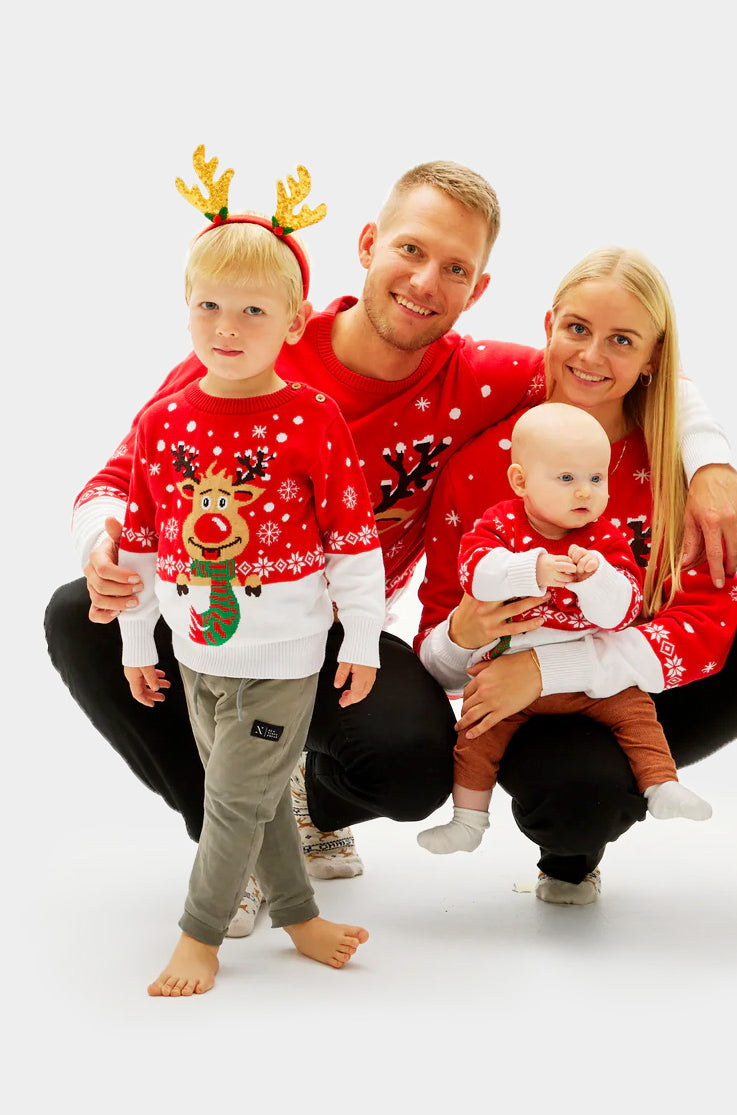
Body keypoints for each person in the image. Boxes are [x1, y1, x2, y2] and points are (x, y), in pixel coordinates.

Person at [44, 154, 737, 938]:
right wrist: (104, 542)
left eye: (455, 267)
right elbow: (117, 474)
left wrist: (710, 460)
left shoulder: (484, 379)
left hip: (333, 632)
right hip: (215, 609)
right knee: (82, 611)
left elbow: (617, 369)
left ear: (478, 289)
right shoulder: (263, 337)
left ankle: (305, 801)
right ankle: (228, 843)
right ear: (369, 243)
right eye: (412, 250)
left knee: (414, 764)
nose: (425, 281)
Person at [416, 246, 737, 958]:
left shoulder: (677, 463)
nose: (592, 355)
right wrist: (466, 634)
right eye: (576, 328)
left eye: (621, 340)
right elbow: (440, 662)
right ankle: (572, 854)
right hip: (538, 716)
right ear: (547, 326)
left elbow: (705, 620)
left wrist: (554, 667)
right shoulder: (483, 467)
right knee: (575, 803)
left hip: (655, 692)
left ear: (652, 360)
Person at [120, 156, 382, 994]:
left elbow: (352, 539)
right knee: (261, 796)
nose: (226, 327)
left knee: (231, 797)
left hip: (285, 657)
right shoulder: (162, 422)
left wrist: (363, 639)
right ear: (185, 308)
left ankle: (201, 937)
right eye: (209, 306)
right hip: (198, 652)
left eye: (253, 311)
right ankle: (299, 915)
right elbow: (141, 543)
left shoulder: (313, 417)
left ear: (295, 320)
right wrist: (137, 642)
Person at [418, 403, 713, 855]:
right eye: (567, 479)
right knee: (475, 735)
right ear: (521, 481)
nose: (585, 493)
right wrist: (530, 569)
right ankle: (468, 819)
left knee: (637, 713)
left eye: (596, 479)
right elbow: (475, 572)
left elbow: (623, 612)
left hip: (586, 682)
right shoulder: (500, 525)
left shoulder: (605, 537)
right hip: (507, 678)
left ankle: (661, 786)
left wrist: (598, 578)